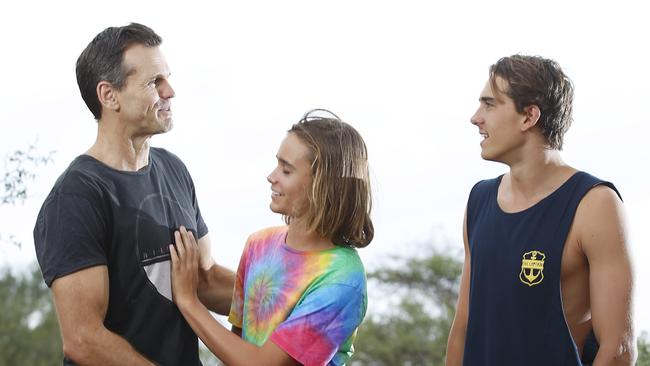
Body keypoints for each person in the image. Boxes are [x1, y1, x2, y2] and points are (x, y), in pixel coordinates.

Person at [33, 23, 234, 365]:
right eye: (154, 82)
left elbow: (205, 279)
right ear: (109, 95)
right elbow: (83, 340)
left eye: (167, 78)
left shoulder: (174, 170)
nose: (170, 91)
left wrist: (295, 298)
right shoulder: (76, 196)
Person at [445, 55, 636, 366]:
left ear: (528, 116)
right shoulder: (479, 200)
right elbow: (463, 328)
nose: (476, 117)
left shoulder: (595, 204)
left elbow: (618, 350)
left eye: (490, 104)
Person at [169, 110, 372, 366]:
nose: (272, 176)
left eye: (286, 171)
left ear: (323, 186)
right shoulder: (259, 245)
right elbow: (237, 346)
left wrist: (189, 301)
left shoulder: (343, 279)